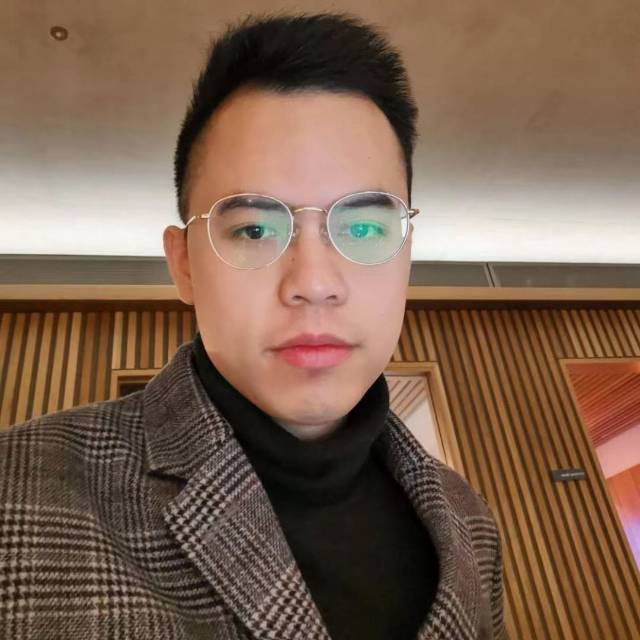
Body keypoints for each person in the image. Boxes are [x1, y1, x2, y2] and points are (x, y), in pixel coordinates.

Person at [0, 12, 505, 640]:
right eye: (256, 229)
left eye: (364, 227)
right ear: (184, 265)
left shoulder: (469, 520)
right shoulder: (19, 495)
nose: (314, 282)